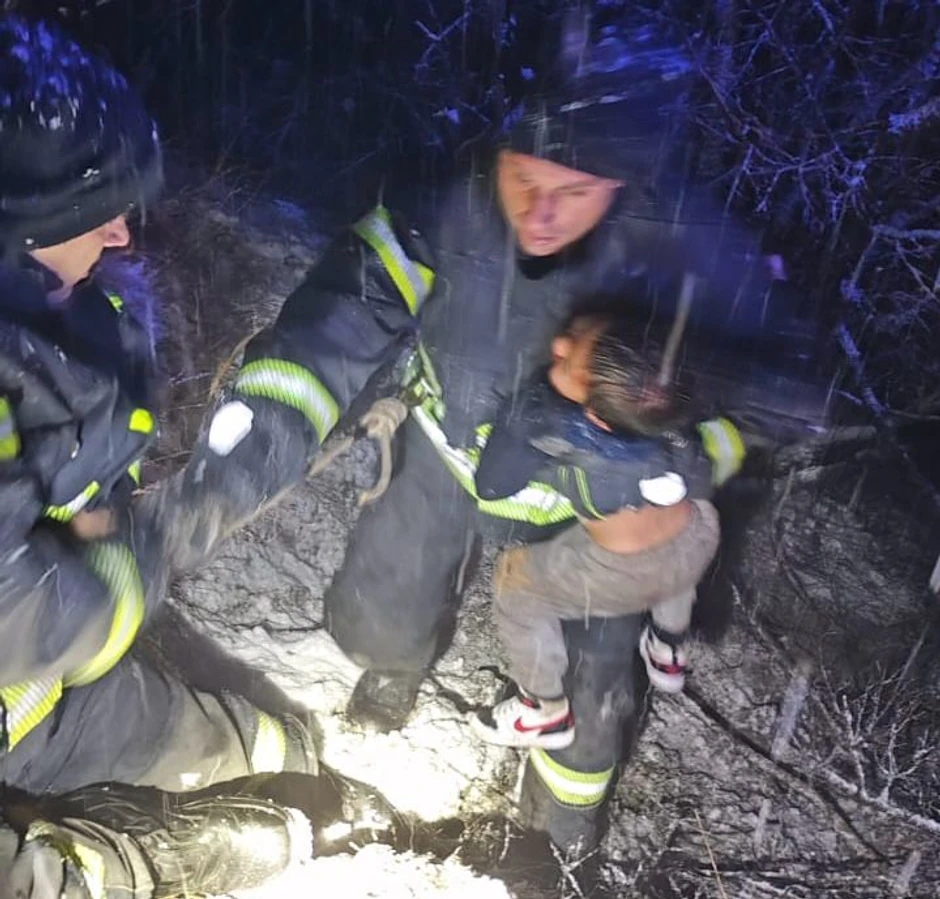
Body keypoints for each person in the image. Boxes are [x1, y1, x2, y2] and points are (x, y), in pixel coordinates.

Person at [243, 36, 809, 853]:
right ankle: (396, 667)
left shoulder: (687, 258)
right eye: (524, 179)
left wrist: (668, 459)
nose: (540, 212)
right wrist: (294, 413)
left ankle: (563, 821)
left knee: (593, 683)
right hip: (448, 445)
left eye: (573, 191)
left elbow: (779, 393)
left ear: (623, 186)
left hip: (588, 510)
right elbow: (352, 302)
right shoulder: (444, 198)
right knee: (379, 611)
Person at [0, 15, 397, 898]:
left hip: (41, 702)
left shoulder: (66, 323)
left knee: (252, 748)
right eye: (85, 215)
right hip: (37, 695)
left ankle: (296, 775)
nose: (120, 238)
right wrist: (181, 857)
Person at [468, 308, 737, 754]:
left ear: (595, 419)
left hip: (623, 575)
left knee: (514, 586)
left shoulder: (561, 433)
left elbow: (492, 485)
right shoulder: (669, 418)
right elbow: (701, 475)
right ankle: (668, 647)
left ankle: (544, 712)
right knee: (680, 547)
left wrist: (523, 417)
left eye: (568, 361)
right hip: (697, 539)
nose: (558, 346)